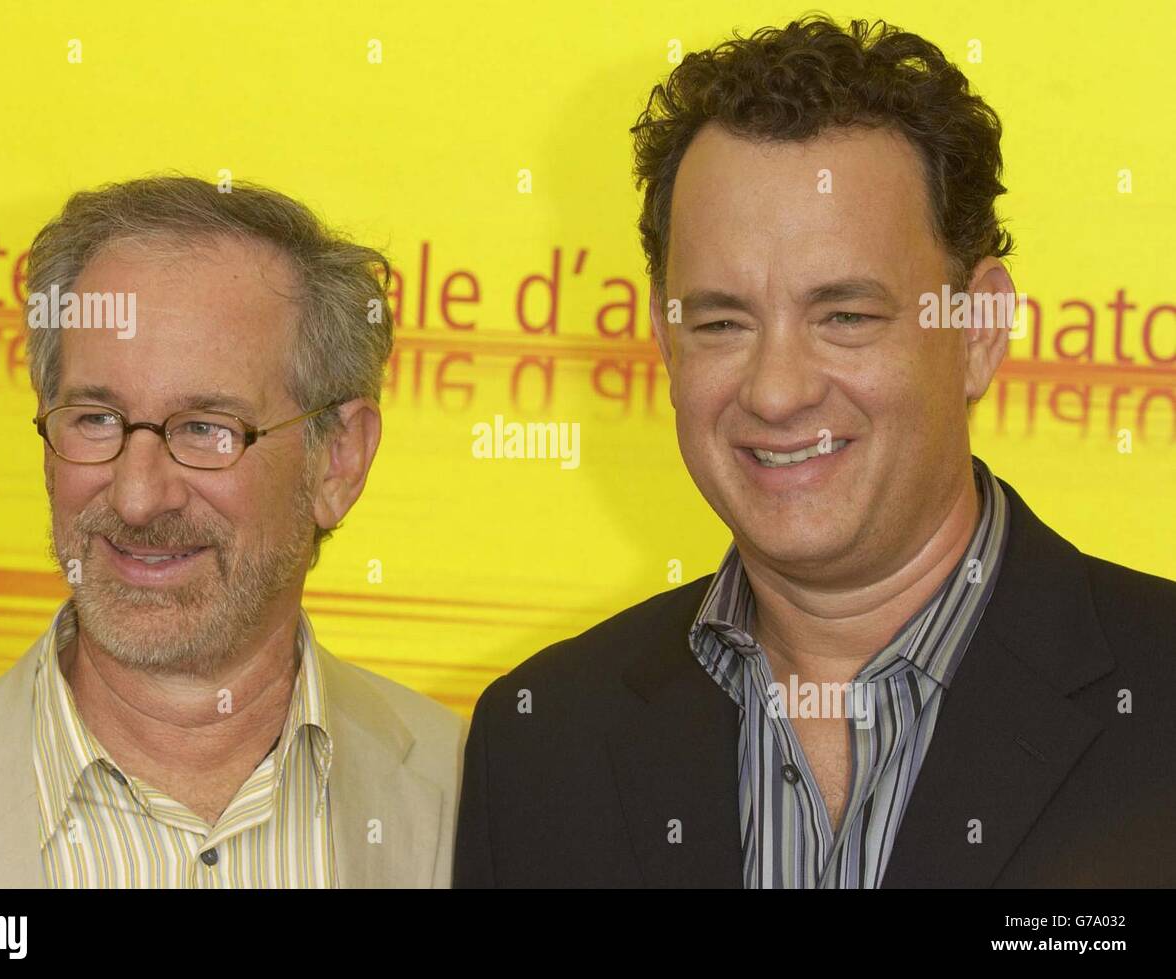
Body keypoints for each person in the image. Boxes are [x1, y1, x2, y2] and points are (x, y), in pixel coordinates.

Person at [454, 16, 1176, 887]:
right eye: (723, 321)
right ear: (664, 342)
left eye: (845, 316)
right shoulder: (539, 745)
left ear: (979, 327)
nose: (777, 390)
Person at [0, 176, 464, 888]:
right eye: (95, 418)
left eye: (205, 429)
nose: (137, 496)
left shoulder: (474, 799)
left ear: (338, 460)